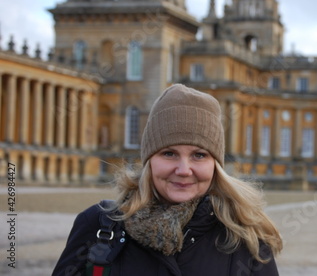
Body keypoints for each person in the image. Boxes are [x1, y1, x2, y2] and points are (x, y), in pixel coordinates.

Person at [52, 84, 282, 276]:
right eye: (169, 153)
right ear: (149, 159)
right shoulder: (99, 225)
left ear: (216, 165)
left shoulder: (247, 238)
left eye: (199, 155)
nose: (183, 170)